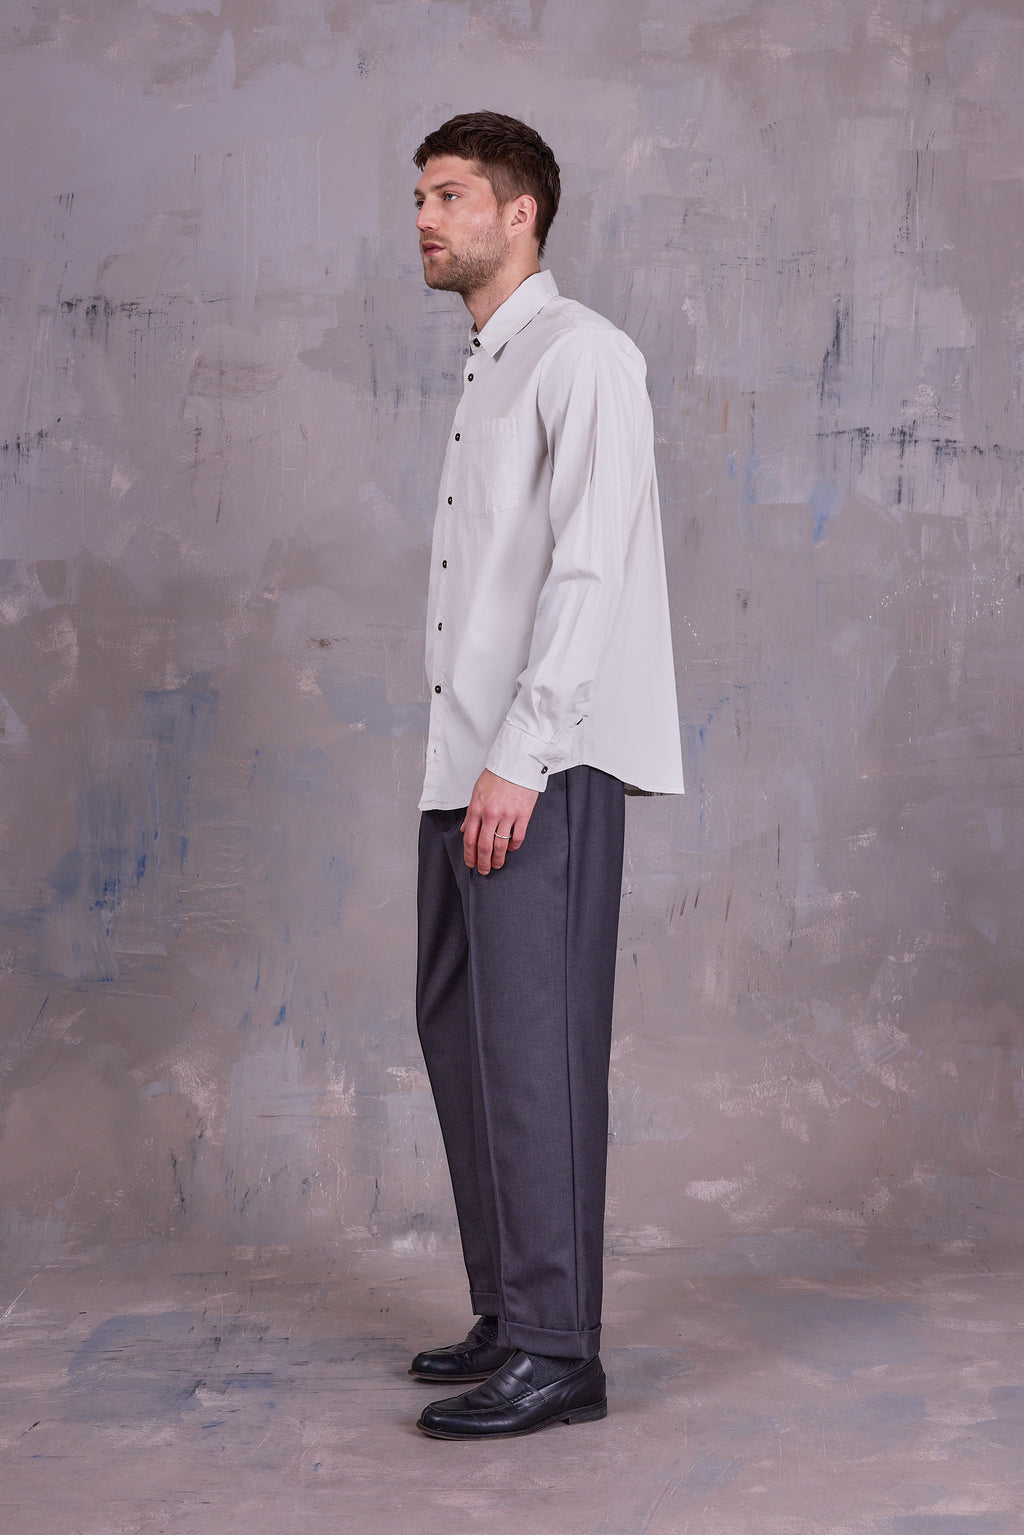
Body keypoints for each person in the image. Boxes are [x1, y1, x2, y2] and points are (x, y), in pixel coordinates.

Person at [407, 111, 684, 1440]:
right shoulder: (494, 364)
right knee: (462, 1037)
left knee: (534, 1050)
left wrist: (522, 757)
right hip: (463, 760)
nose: (425, 219)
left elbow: (592, 568)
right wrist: (470, 761)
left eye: (450, 195)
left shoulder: (583, 355)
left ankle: (561, 1351)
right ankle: (513, 1313)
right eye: (420, 198)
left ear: (520, 214)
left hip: (537, 765)